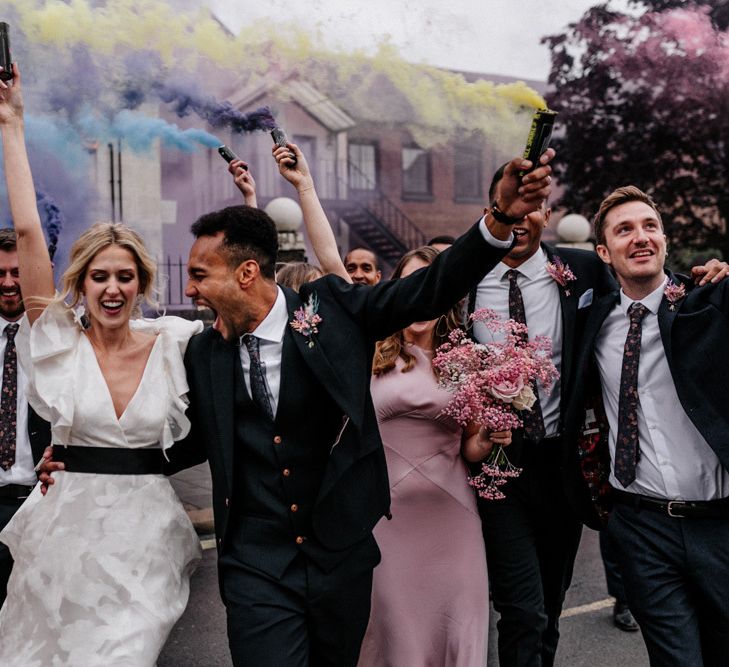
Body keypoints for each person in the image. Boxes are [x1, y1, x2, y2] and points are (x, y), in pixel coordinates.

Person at [163, 136, 556, 665]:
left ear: (246, 273)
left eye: (198, 275)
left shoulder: (330, 313)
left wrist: (498, 218)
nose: (190, 291)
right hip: (256, 566)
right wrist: (83, 460)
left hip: (340, 560)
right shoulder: (205, 352)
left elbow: (427, 290)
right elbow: (184, 441)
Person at [0, 64, 202, 666]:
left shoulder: (175, 340)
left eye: (124, 277)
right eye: (99, 277)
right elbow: (31, 233)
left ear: (141, 284)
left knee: (124, 656)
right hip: (64, 536)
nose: (111, 289)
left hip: (145, 542)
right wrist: (12, 123)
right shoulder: (59, 342)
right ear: (81, 283)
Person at [565, 186, 729, 666]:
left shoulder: (709, 304)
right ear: (603, 252)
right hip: (641, 524)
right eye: (624, 230)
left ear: (664, 239)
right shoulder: (588, 321)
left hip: (719, 521)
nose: (640, 238)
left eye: (649, 226)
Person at [467, 164, 616, 667]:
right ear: (493, 209)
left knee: (550, 604)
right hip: (498, 466)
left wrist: (704, 282)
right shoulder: (463, 283)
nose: (520, 217)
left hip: (563, 463)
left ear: (546, 215)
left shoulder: (584, 272)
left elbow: (647, 292)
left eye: (533, 208)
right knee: (521, 609)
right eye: (511, 206)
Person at [358, 245, 510, 667]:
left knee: (457, 625)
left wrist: (492, 438)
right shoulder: (370, 354)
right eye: (411, 286)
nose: (420, 297)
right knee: (395, 631)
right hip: (386, 520)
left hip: (452, 518)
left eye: (430, 285)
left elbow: (471, 446)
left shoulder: (464, 362)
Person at [0, 229, 50, 608]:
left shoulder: (58, 339)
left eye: (18, 271)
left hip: (40, 505)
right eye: (0, 272)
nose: (7, 282)